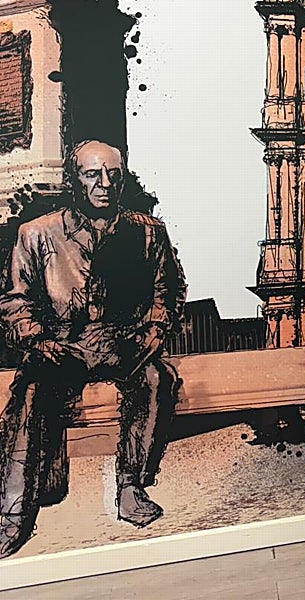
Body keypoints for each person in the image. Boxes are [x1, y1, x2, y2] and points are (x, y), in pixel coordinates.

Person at [0, 140, 186, 557]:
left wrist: (154, 331)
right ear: (74, 180)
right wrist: (37, 338)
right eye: (92, 175)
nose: (104, 184)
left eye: (113, 175)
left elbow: (168, 291)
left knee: (159, 378)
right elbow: (15, 301)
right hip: (62, 344)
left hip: (122, 343)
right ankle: (13, 513)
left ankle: (131, 486)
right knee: (31, 391)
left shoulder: (146, 231)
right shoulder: (36, 234)